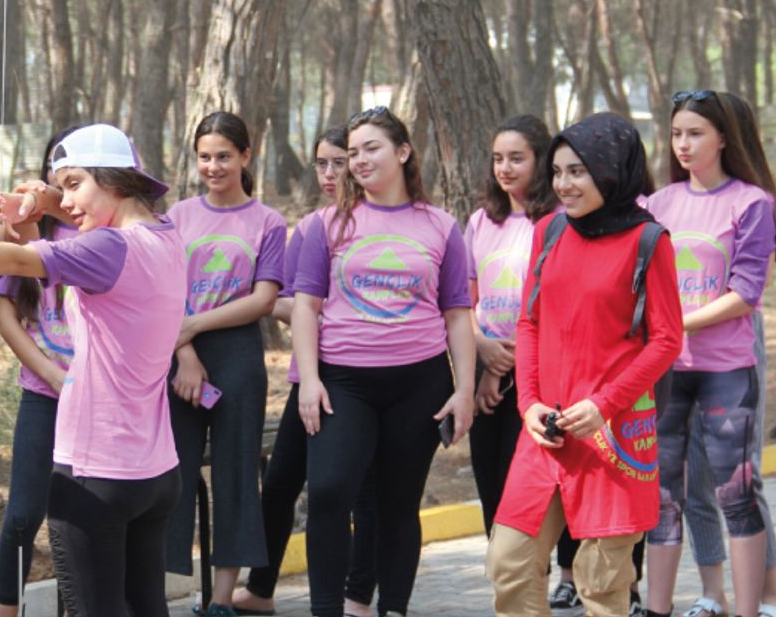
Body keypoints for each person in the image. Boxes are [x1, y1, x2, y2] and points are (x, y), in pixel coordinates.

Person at [0, 124, 186, 617]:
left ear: (112, 178)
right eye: (61, 186)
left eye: (74, 184)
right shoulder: (166, 232)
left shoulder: (107, 249)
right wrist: (50, 201)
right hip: (154, 474)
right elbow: (99, 216)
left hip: (95, 477)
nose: (66, 200)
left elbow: (17, 257)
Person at [485, 112, 683, 617]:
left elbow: (666, 340)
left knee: (602, 585)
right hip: (545, 431)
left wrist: (604, 405)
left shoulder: (649, 241)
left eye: (578, 171)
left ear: (611, 171)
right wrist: (528, 404)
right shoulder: (548, 231)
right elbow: (529, 322)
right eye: (557, 171)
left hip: (613, 436)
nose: (563, 184)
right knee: (509, 561)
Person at [293, 106, 476, 617]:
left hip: (419, 385)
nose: (359, 160)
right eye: (353, 152)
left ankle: (392, 607)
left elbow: (457, 313)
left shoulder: (441, 226)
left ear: (403, 151)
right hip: (343, 383)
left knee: (399, 502)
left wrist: (464, 390)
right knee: (329, 492)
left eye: (371, 148)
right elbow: (305, 306)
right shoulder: (327, 224)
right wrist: (309, 379)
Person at [647, 91, 776, 617]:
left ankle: (760, 603)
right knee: (667, 495)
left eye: (696, 134)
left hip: (727, 369)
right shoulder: (656, 205)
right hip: (668, 370)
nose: (683, 145)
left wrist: (675, 323)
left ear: (724, 138)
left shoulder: (752, 203)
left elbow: (746, 293)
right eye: (676, 134)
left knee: (737, 491)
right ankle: (670, 604)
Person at [231, 126, 381, 617]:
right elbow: (284, 300)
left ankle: (357, 596)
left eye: (340, 162)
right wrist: (308, 311)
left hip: (358, 381)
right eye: (322, 164)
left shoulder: (378, 225)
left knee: (359, 493)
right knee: (279, 484)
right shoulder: (312, 227)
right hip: (308, 379)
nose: (330, 173)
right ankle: (261, 589)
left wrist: (322, 311)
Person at [163, 111, 286, 616]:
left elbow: (263, 299)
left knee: (236, 474)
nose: (213, 167)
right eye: (204, 157)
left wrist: (195, 326)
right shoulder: (177, 217)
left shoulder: (268, 222)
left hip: (238, 354)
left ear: (245, 157)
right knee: (170, 472)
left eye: (224, 156)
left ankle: (219, 601)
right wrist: (185, 352)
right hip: (177, 354)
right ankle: (155, 593)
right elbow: (163, 290)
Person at [0, 132, 78, 617]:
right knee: (24, 514)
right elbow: (9, 320)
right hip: (43, 395)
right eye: (51, 171)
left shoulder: (110, 235)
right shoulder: (28, 234)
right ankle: (6, 610)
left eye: (72, 175)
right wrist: (51, 375)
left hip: (98, 402)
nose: (55, 184)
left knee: (79, 520)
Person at [466, 114, 559, 535]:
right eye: (498, 158)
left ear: (540, 161)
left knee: (531, 484)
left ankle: (543, 568)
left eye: (517, 158)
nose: (504, 168)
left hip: (540, 368)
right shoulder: (481, 221)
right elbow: (464, 301)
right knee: (491, 479)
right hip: (485, 364)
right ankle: (502, 567)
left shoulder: (559, 219)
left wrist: (512, 360)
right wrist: (483, 348)